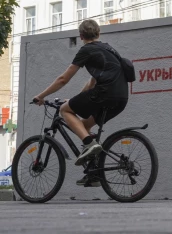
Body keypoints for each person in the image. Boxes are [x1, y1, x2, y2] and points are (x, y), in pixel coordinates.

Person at [34, 19, 129, 186]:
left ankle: (89, 143)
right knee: (83, 126)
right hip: (121, 97)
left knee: (65, 110)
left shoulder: (87, 50)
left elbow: (63, 79)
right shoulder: (109, 49)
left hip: (105, 94)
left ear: (81, 36)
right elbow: (93, 82)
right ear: (99, 33)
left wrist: (41, 96)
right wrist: (75, 100)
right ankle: (94, 173)